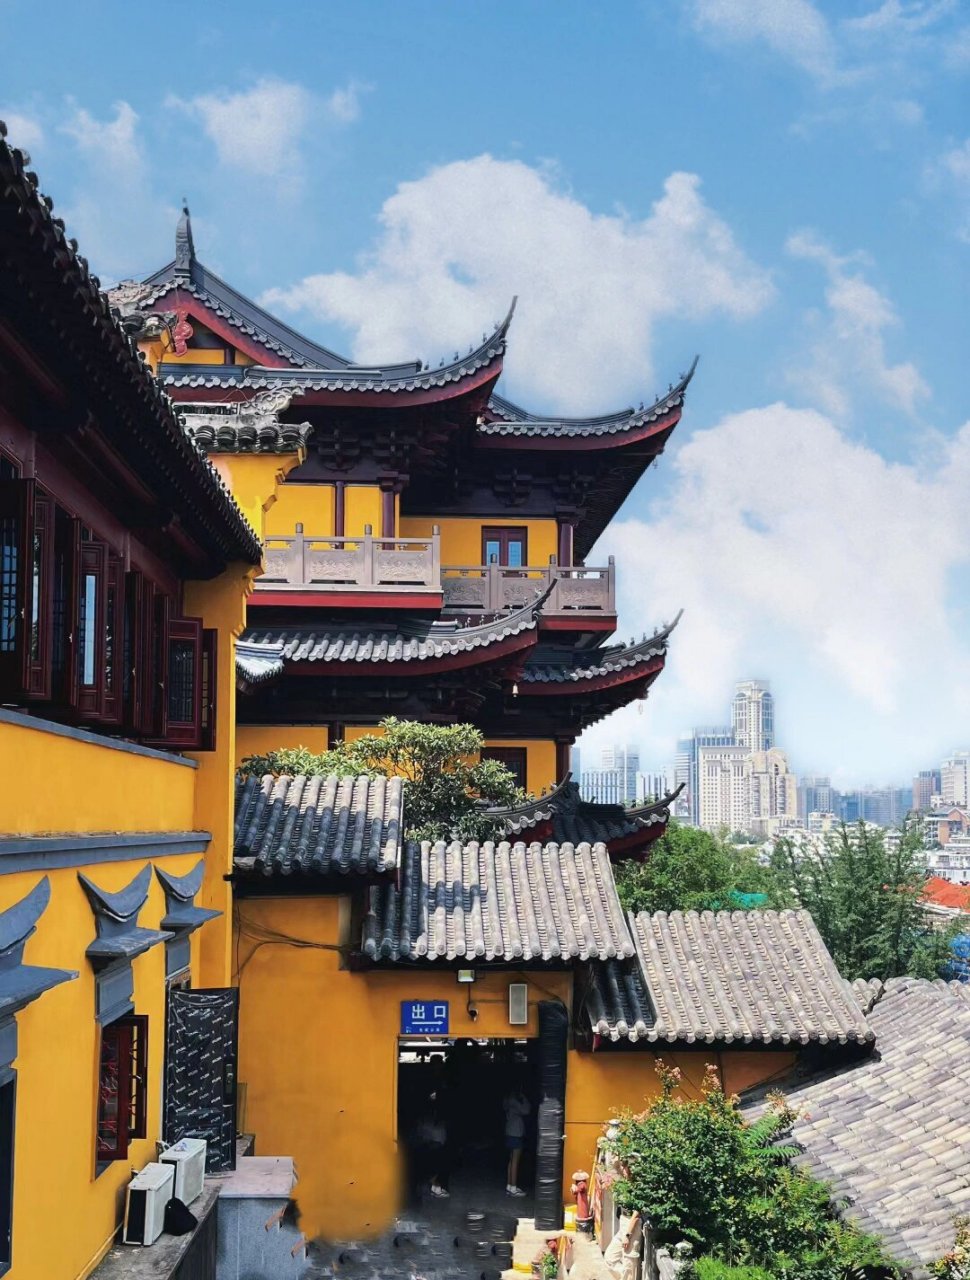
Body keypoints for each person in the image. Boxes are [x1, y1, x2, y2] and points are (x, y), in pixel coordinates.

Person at [502, 1083, 531, 1196]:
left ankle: (509, 1185)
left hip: (509, 1131)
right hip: (516, 1133)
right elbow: (526, 1110)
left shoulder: (506, 1100)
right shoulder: (514, 1100)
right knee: (515, 1161)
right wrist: (523, 1097)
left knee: (511, 1160)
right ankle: (513, 1187)